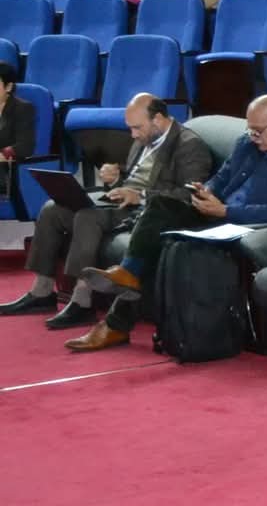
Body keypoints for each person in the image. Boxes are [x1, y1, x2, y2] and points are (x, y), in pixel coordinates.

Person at [70, 96, 267, 353]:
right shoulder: (247, 143)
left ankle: (116, 323)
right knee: (162, 206)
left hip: (252, 228)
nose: (253, 137)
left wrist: (225, 211)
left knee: (162, 242)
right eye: (250, 130)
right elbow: (221, 178)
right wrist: (206, 191)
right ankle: (127, 274)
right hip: (218, 214)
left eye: (258, 131)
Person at [2, 93, 213, 324]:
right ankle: (41, 292)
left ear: (159, 119)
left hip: (149, 210)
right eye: (130, 128)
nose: (133, 134)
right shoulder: (145, 136)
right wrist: (115, 179)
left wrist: (140, 196)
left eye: (137, 128)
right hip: (122, 199)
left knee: (88, 216)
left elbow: (189, 194)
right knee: (53, 208)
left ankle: (82, 301)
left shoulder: (189, 145)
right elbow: (133, 178)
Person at [0, 63, 34, 221]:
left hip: (8, 169)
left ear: (8, 86)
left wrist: (3, 154)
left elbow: (25, 146)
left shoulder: (22, 108)